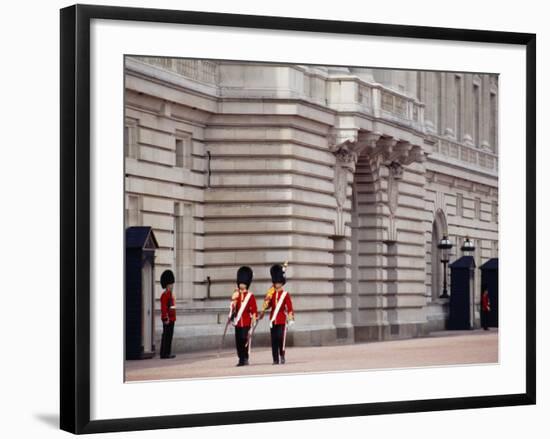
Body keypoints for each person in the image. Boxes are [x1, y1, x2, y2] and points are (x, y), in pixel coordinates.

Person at [260, 264, 294, 365]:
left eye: (278, 282)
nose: (277, 284)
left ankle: (282, 354)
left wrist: (291, 317)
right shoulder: (271, 293)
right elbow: (269, 306)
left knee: (280, 338)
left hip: (282, 319)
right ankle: (275, 359)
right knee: (274, 340)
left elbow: (289, 307)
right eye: (275, 282)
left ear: (282, 282)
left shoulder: (285, 294)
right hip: (273, 320)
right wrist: (266, 302)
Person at [230, 266, 257, 366]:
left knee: (244, 339)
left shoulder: (250, 296)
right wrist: (233, 301)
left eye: (243, 283)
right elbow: (232, 308)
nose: (241, 284)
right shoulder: (235, 294)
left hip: (246, 322)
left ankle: (245, 357)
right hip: (238, 322)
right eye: (240, 283)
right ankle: (241, 358)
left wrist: (254, 317)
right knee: (238, 341)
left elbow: (253, 308)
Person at [159, 269, 177, 359]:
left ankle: (167, 352)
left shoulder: (170, 295)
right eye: (170, 284)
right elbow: (164, 308)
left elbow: (172, 307)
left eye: (172, 284)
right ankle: (164, 353)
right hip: (168, 319)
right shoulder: (165, 295)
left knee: (169, 336)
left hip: (172, 319)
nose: (172, 286)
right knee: (166, 336)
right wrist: (165, 318)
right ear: (167, 285)